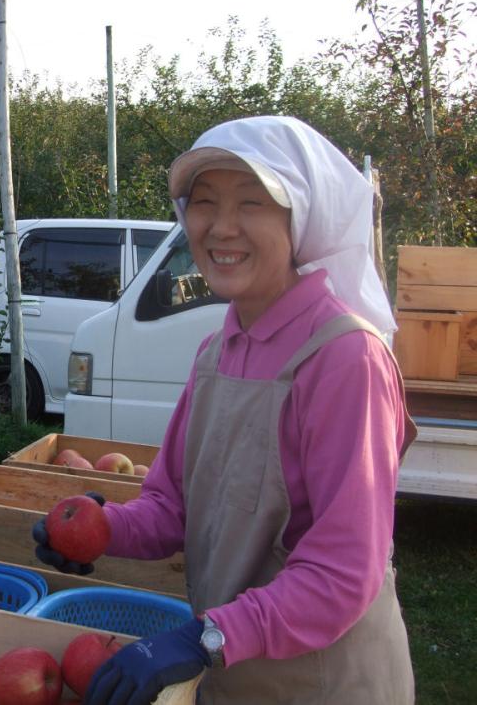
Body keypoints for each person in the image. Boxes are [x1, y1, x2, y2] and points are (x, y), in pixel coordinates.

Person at [34, 116, 416, 704]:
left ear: (300, 219)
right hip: (234, 674)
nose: (222, 226)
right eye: (204, 202)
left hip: (322, 682)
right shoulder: (218, 352)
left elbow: (343, 571)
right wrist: (103, 527)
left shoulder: (344, 359)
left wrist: (204, 636)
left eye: (253, 203)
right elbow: (173, 505)